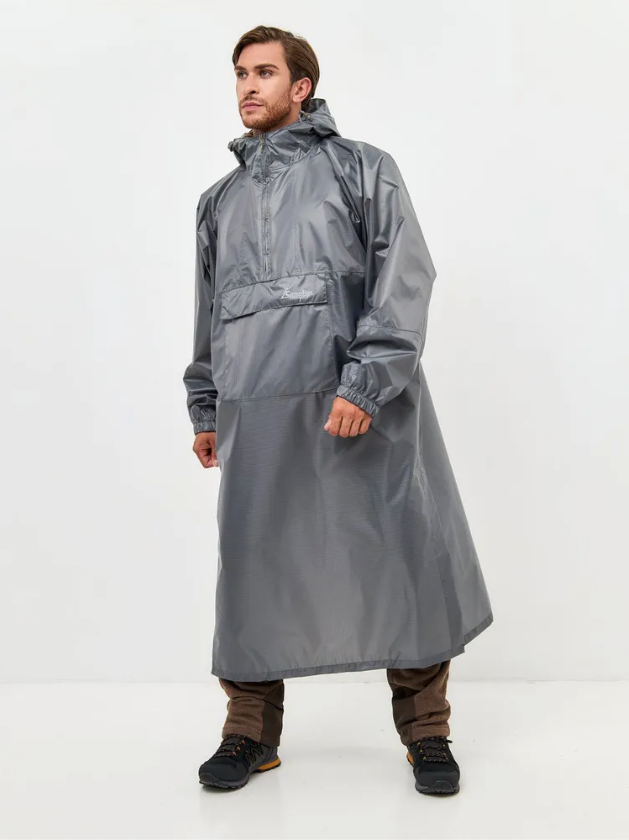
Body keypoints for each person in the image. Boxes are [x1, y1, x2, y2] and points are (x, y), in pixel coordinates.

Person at [183, 25, 493, 796]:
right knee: (252, 567)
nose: (246, 86)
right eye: (239, 73)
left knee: (399, 555)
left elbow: (404, 276)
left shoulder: (362, 169)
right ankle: (249, 732)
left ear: (301, 87)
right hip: (257, 409)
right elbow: (210, 311)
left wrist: (366, 382)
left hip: (356, 406)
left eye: (263, 72)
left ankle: (426, 731)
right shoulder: (218, 201)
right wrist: (205, 404)